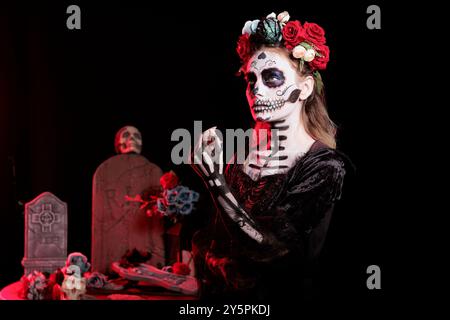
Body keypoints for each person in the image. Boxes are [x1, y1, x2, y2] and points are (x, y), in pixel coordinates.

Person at [191, 11, 350, 301]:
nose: (256, 90)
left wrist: (214, 182)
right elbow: (219, 242)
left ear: (304, 89)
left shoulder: (325, 166)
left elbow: (273, 251)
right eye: (251, 79)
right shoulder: (239, 158)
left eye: (272, 77)